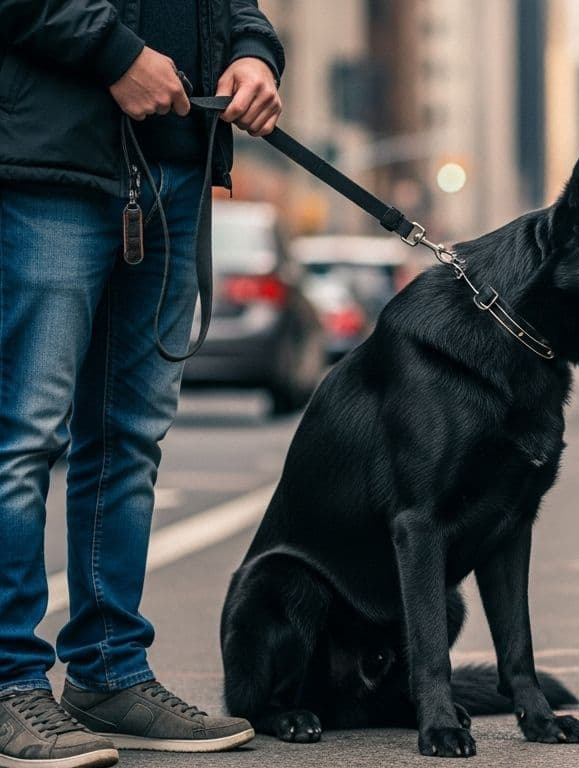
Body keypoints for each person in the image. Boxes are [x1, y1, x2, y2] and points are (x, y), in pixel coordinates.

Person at [0, 1, 284, 764]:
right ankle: (9, 684)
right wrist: (114, 53)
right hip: (49, 161)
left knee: (129, 440)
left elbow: (234, 6)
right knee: (22, 437)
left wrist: (255, 54)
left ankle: (108, 673)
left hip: (175, 163)